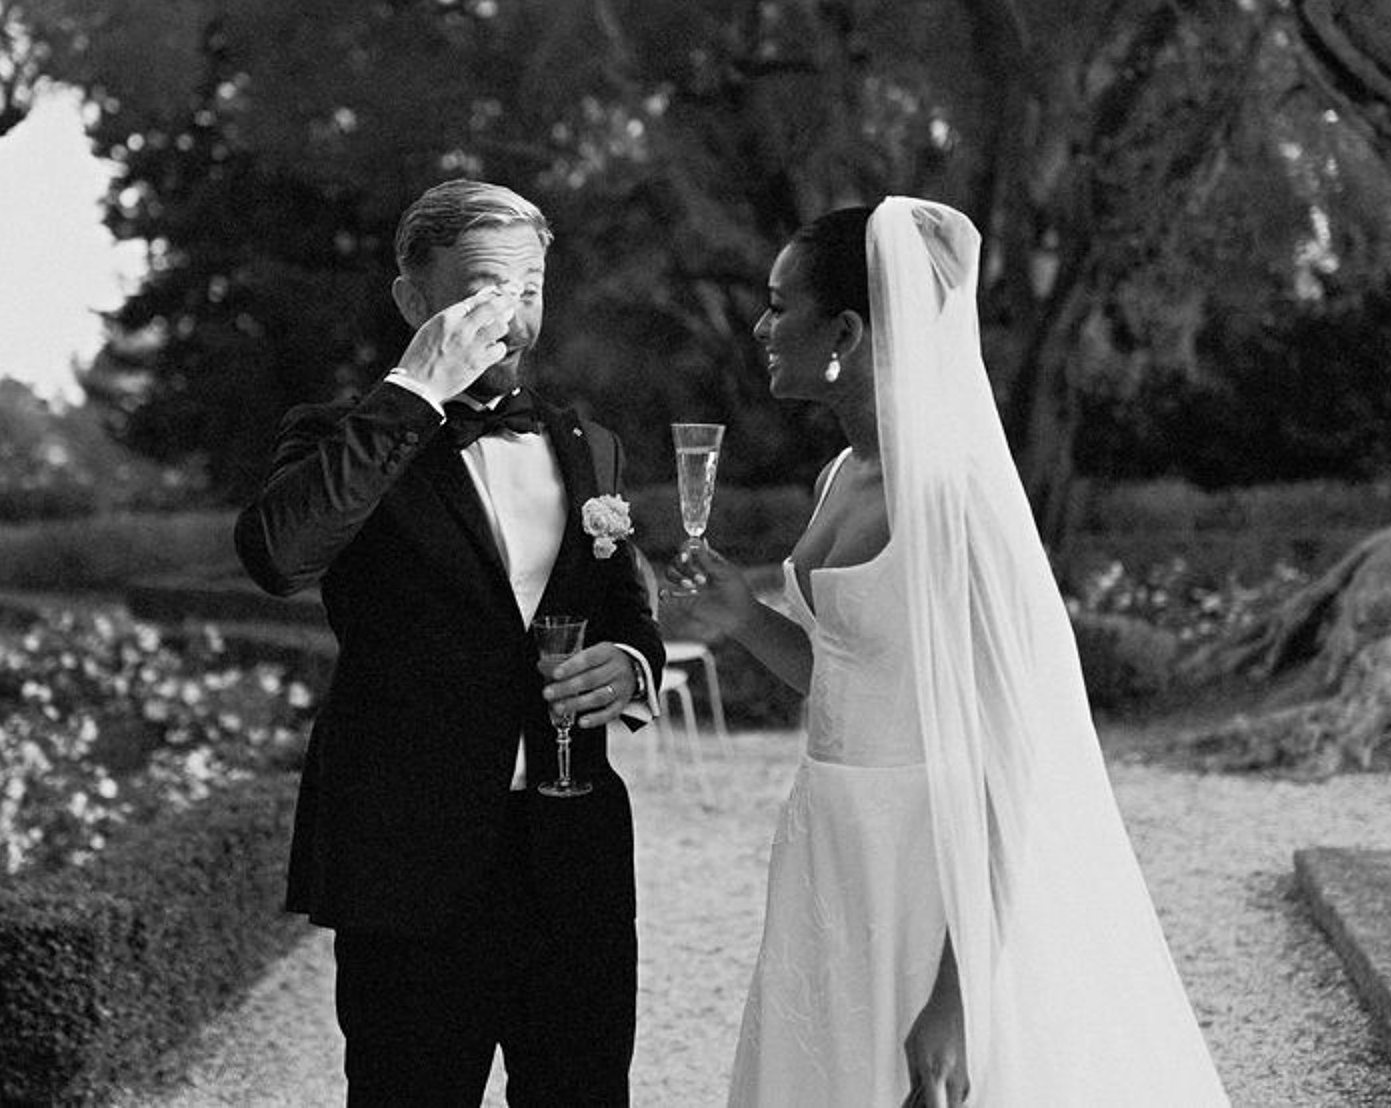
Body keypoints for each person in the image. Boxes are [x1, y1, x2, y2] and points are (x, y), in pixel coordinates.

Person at [670, 197, 1229, 1106]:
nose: (765, 327)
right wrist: (739, 611)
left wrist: (957, 1004)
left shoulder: (954, 502)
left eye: (781, 305)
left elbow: (1015, 756)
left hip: (927, 864)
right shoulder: (840, 475)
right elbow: (844, 678)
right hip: (828, 842)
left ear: (846, 328)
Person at [235, 178, 666, 1107]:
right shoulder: (336, 439)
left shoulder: (589, 444)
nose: (511, 320)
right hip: (410, 861)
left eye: (531, 290)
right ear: (413, 300)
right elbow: (279, 555)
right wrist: (414, 393)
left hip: (574, 855)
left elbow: (629, 606)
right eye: (484, 290)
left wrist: (630, 668)